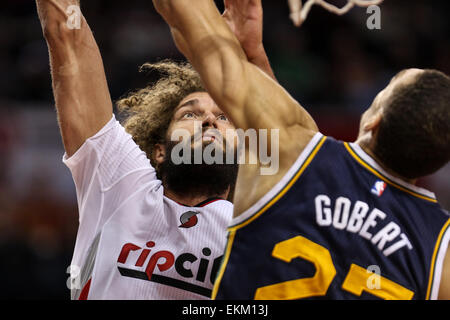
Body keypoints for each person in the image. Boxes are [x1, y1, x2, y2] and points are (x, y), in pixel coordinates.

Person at [152, 0, 450, 299]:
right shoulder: (442, 249)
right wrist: (250, 57)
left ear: (374, 122)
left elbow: (180, 13)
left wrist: (229, 48)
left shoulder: (294, 150)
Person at [35, 0, 273, 299]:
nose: (210, 119)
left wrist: (254, 56)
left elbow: (303, 162)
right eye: (190, 114)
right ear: (160, 150)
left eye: (224, 117)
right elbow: (67, 38)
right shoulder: (121, 186)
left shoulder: (258, 228)